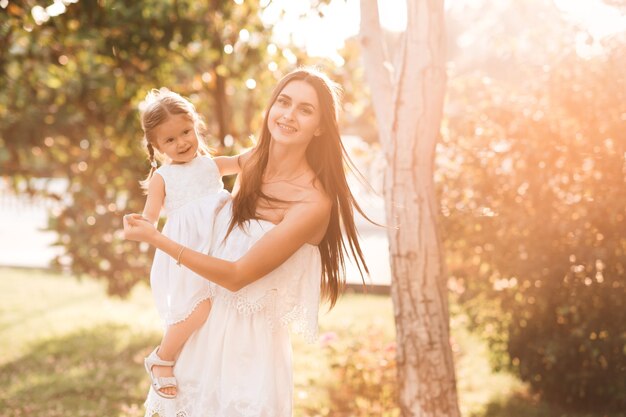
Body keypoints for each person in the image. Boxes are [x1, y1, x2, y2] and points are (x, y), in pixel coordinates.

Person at [124, 67, 370, 417]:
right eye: (283, 102)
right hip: (198, 336)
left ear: (320, 127)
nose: (288, 114)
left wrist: (158, 239)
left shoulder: (313, 203)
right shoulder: (251, 164)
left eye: (305, 109)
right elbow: (193, 195)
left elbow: (238, 275)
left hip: (247, 355)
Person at [137, 88, 242, 399]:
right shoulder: (163, 178)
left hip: (220, 247)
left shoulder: (212, 165)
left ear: (196, 125)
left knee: (222, 310)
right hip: (186, 253)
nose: (182, 142)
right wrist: (138, 225)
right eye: (170, 140)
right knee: (198, 309)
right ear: (155, 146)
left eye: (186, 131)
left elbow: (245, 160)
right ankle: (162, 358)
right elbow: (150, 218)